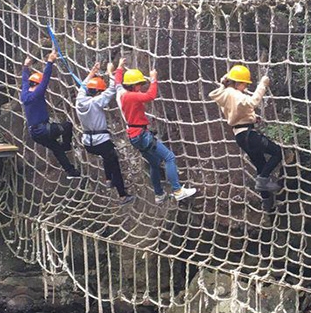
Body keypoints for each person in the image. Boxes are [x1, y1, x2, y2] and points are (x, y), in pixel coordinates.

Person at [114, 58, 196, 204]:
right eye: (139, 84)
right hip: (142, 135)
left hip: (135, 136)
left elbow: (117, 83)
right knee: (169, 157)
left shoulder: (121, 93)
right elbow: (150, 96)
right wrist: (153, 80)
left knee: (154, 163)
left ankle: (159, 194)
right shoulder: (132, 96)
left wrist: (119, 67)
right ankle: (177, 191)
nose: (140, 87)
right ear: (133, 85)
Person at [209, 65, 282, 211]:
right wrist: (263, 85)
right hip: (250, 136)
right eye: (244, 84)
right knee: (277, 152)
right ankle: (263, 181)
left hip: (241, 135)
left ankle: (267, 201)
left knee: (260, 166)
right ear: (237, 83)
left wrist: (253, 119)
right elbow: (252, 102)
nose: (246, 86)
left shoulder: (225, 94)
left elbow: (239, 112)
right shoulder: (234, 94)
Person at [75, 61, 135, 206]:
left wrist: (92, 72)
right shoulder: (96, 101)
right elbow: (113, 88)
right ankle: (122, 195)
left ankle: (108, 180)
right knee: (114, 163)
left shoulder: (79, 100)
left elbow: (83, 85)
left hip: (88, 142)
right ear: (97, 92)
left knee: (107, 156)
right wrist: (112, 71)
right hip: (100, 140)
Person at [21, 51, 80, 179]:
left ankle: (71, 172)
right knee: (67, 126)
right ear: (37, 84)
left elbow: (24, 81)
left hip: (35, 133)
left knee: (57, 149)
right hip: (43, 130)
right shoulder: (37, 94)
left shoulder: (24, 93)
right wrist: (50, 62)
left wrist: (26, 67)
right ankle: (66, 145)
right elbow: (45, 79)